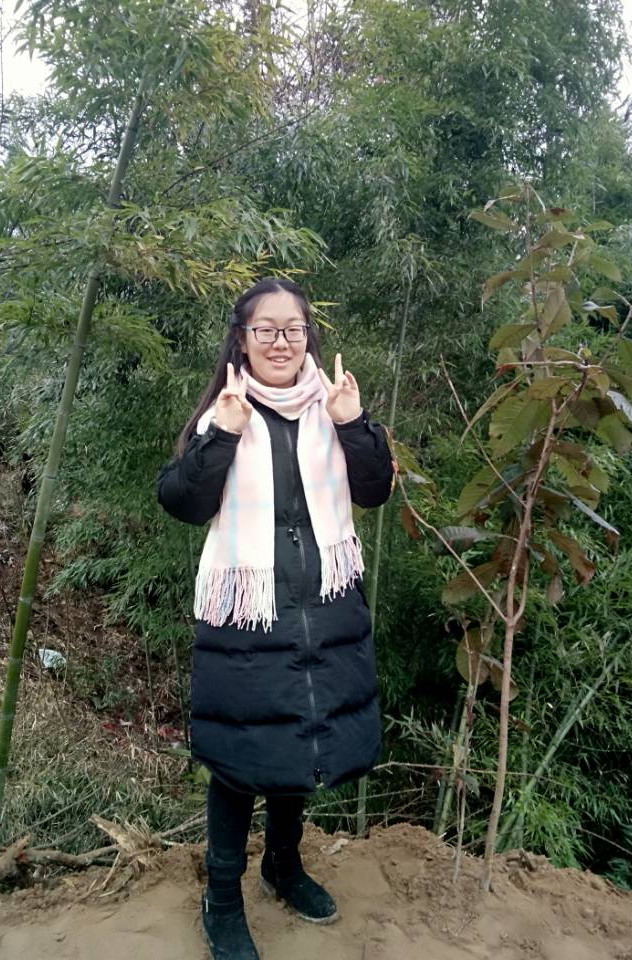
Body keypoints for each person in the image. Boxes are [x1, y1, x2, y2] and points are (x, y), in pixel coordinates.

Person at [157, 277, 393, 960]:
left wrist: (353, 423)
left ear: (308, 336)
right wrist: (224, 435)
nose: (281, 341)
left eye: (294, 329)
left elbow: (375, 489)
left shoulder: (331, 406)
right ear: (243, 339)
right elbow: (181, 501)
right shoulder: (223, 413)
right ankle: (222, 899)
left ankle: (283, 866)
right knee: (240, 762)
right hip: (247, 617)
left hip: (325, 609)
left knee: (302, 746)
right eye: (266, 329)